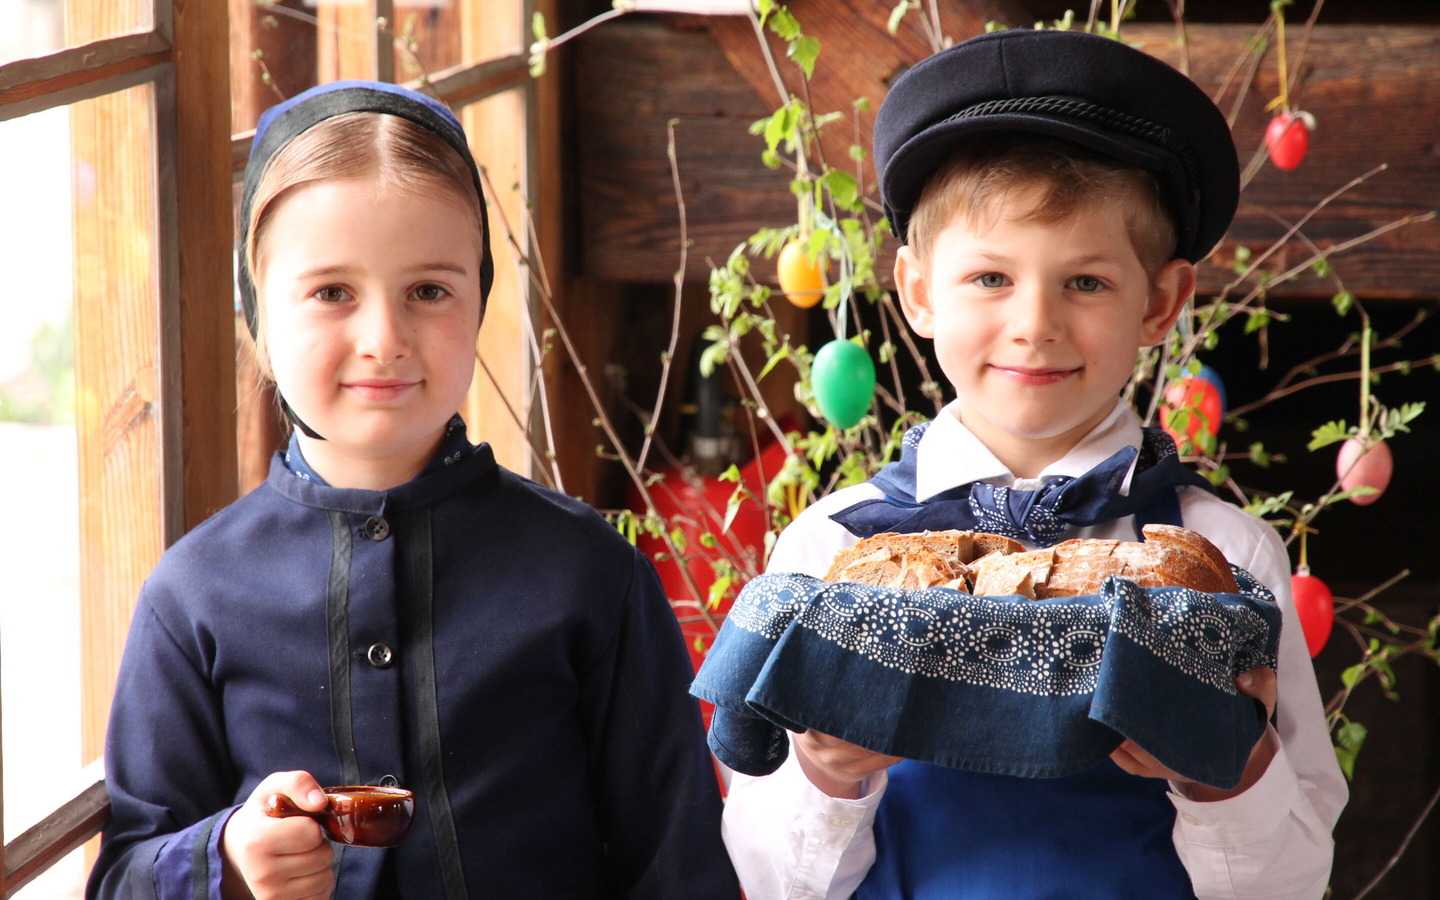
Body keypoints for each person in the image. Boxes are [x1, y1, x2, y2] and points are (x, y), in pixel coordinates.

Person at [719, 29, 1346, 899]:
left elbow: (1295, 879)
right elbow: (766, 880)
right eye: (989, 278)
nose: (1035, 323)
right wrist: (826, 772)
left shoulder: (1226, 558)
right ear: (918, 291)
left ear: (1160, 301)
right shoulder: (831, 552)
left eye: (1086, 282)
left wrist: (1227, 778)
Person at [87, 81, 739, 900]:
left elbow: (677, 867)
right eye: (331, 293)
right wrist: (226, 860)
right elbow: (122, 876)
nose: (384, 340)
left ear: (479, 298)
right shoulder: (190, 597)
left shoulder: (593, 575)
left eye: (429, 291)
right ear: (256, 314)